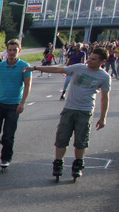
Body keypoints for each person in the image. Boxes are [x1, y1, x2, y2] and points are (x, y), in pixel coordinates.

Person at [28, 46, 111, 180]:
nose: (89, 61)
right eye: (90, 58)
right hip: (69, 109)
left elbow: (105, 98)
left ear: (103, 61)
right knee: (62, 138)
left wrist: (103, 117)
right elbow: (58, 69)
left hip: (85, 111)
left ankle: (78, 164)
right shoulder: (79, 68)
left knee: (81, 141)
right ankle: (58, 163)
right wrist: (35, 68)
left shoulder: (104, 77)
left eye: (94, 59)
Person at [0, 39, 31, 170]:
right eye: (10, 50)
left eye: (15, 50)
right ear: (7, 51)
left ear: (19, 51)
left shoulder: (25, 67)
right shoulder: (0, 66)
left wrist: (22, 103)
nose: (12, 52)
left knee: (8, 134)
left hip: (14, 105)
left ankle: (6, 158)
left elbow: (27, 86)